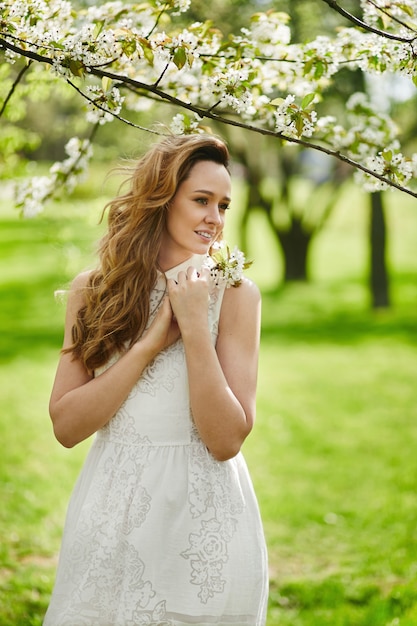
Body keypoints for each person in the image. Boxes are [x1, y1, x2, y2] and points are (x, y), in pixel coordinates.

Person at [43, 134, 268, 626]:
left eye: (224, 204)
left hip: (203, 520)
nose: (215, 217)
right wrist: (148, 344)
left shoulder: (236, 295)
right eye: (201, 200)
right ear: (162, 198)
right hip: (112, 510)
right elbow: (66, 427)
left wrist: (193, 330)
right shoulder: (94, 289)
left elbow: (226, 439)